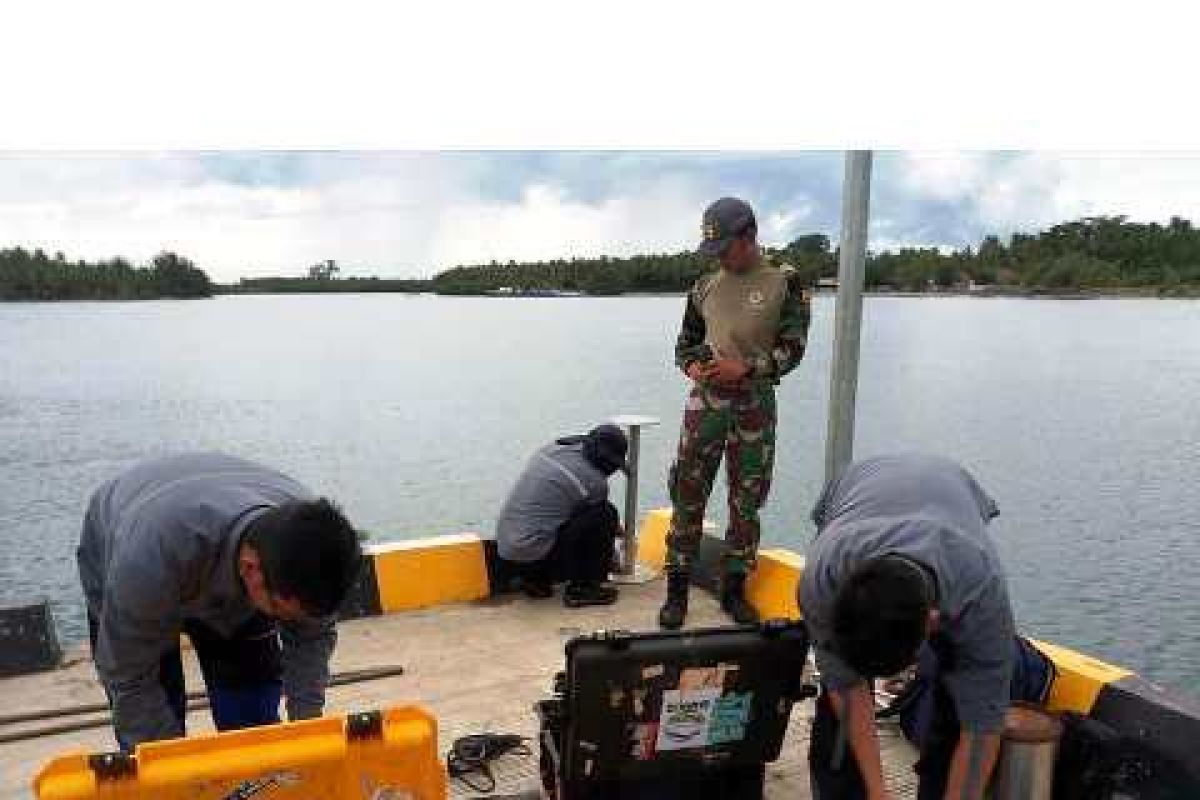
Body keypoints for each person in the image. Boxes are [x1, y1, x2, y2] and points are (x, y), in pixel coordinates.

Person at [800, 453, 1052, 800]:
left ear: (933, 623)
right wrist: (877, 793)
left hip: (952, 491)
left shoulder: (980, 594)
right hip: (859, 487)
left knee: (955, 703)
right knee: (836, 714)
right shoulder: (822, 579)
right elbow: (847, 688)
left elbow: (981, 728)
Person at [77, 452, 363, 751]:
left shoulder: (314, 545)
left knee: (253, 723)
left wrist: (306, 737)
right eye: (280, 612)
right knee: (153, 729)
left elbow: (312, 640)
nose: (289, 623)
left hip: (219, 542)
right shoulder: (145, 563)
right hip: (134, 548)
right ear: (251, 569)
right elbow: (130, 679)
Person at [659, 196, 812, 629]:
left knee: (746, 502)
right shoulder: (704, 285)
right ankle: (677, 589)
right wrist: (693, 367)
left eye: (727, 247)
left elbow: (793, 348)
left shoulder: (785, 281)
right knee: (686, 493)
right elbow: (685, 344)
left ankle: (734, 589)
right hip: (703, 405)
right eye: (715, 250)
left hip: (754, 407)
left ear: (750, 236)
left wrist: (747, 367)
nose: (721, 256)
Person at [496, 424, 628, 608]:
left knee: (556, 514)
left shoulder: (552, 449)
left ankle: (536, 581)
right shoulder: (594, 483)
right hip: (536, 554)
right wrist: (611, 562)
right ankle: (584, 589)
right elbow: (601, 528)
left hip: (507, 553)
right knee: (606, 514)